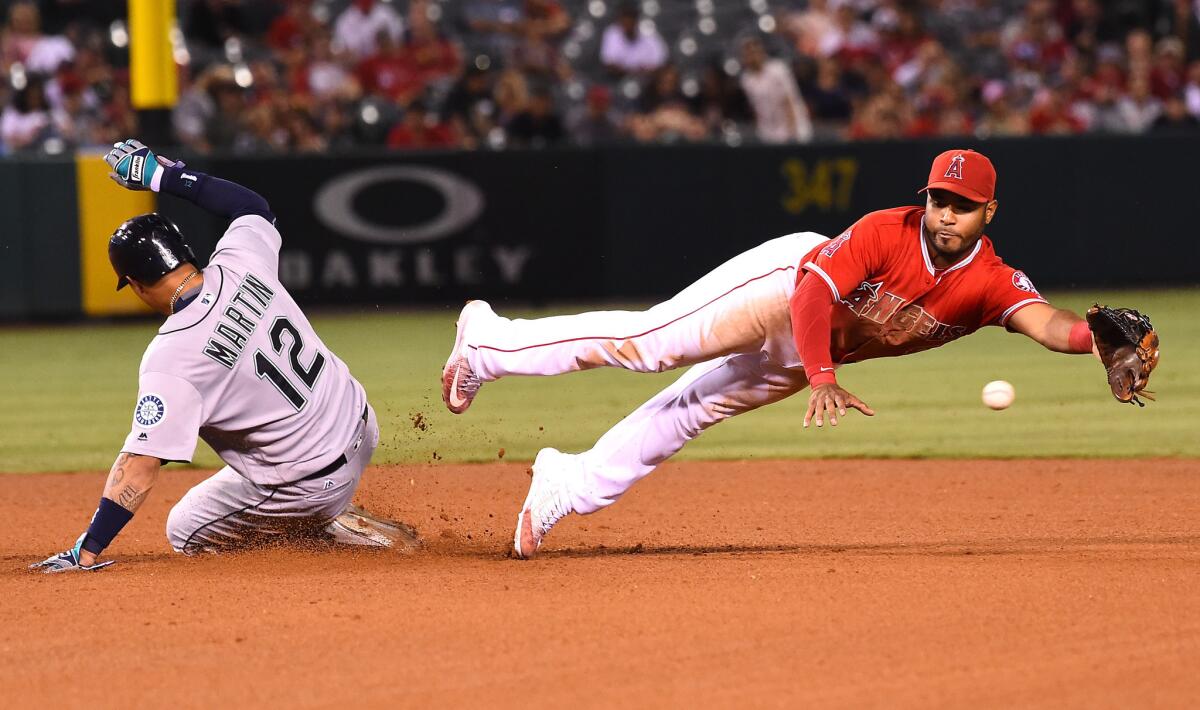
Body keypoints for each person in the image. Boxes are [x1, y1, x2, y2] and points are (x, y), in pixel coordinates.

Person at [439, 149, 1144, 559]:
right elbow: (812, 293)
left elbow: (1048, 323)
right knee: (649, 343)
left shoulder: (990, 283)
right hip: (785, 288)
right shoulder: (883, 230)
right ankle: (488, 341)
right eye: (938, 200)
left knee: (691, 410)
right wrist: (822, 374)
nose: (945, 215)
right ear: (922, 198)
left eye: (961, 205)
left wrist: (1100, 347)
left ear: (990, 213)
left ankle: (568, 483)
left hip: (815, 348)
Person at [31, 139, 417, 573]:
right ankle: (325, 511)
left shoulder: (172, 356)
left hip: (312, 483)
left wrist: (88, 549)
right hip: (360, 426)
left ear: (136, 285)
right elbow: (252, 205)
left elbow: (139, 466)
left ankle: (331, 527)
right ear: (184, 253)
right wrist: (164, 176)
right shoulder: (241, 262)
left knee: (185, 529)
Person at [739, 37, 813, 143]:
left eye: (754, 52)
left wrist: (792, 133)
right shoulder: (746, 79)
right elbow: (756, 108)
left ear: (762, 52)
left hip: (793, 129)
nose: (752, 57)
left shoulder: (778, 70)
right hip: (768, 132)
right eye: (748, 53)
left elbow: (788, 101)